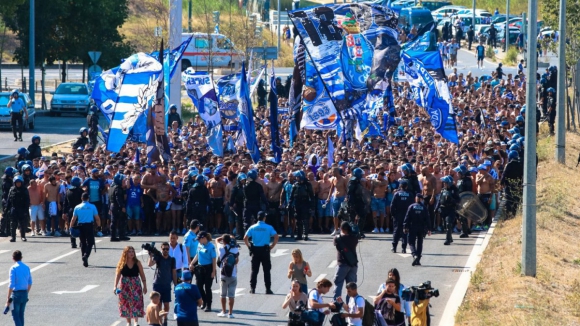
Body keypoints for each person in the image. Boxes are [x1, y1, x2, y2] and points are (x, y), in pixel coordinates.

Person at [244, 211, 279, 294]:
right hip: (265, 250)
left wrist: (249, 246)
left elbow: (245, 238)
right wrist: (272, 245)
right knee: (266, 270)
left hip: (255, 250)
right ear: (264, 218)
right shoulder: (269, 227)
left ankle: (252, 288)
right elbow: (276, 236)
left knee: (254, 271)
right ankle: (268, 289)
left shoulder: (253, 227)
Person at [114, 246, 147, 326]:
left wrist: (145, 286)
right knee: (125, 303)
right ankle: (128, 322)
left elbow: (142, 275)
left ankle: (136, 322)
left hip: (135, 284)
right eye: (129, 252)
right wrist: (115, 286)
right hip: (125, 285)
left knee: (136, 302)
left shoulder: (137, 262)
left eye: (132, 251)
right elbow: (118, 275)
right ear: (125, 253)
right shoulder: (122, 263)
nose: (131, 253)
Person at [148, 242, 177, 326]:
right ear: (161, 249)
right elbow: (150, 264)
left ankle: (165, 318)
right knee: (158, 304)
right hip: (157, 284)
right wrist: (150, 256)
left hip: (167, 285)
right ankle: (160, 321)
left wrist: (176, 285)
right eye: (163, 249)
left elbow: (174, 273)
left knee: (167, 305)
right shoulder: (159, 258)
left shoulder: (172, 259)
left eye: (167, 249)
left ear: (169, 249)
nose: (165, 250)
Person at [70, 192, 101, 267]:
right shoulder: (92, 206)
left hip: (80, 225)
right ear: (88, 198)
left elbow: (73, 219)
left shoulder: (77, 207)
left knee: (83, 242)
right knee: (90, 242)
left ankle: (83, 257)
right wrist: (99, 226)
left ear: (81, 198)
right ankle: (86, 255)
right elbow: (97, 218)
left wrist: (71, 227)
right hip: (89, 225)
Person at [189, 231, 216, 312]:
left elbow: (214, 259)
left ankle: (209, 305)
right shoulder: (199, 245)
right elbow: (197, 255)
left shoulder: (211, 246)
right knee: (199, 287)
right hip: (200, 268)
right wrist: (192, 263)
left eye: (199, 239)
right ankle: (204, 300)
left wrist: (213, 271)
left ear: (204, 238)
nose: (198, 241)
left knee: (207, 288)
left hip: (209, 268)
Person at [215, 234, 240, 318]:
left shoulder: (221, 249)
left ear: (224, 241)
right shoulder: (235, 249)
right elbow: (236, 261)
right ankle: (230, 313)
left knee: (223, 295)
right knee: (231, 295)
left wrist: (222, 237)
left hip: (223, 275)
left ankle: (223, 311)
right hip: (233, 275)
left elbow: (216, 240)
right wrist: (231, 237)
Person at [403, 194, 431, 266]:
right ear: (421, 199)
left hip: (412, 227)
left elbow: (407, 217)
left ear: (416, 199)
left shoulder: (411, 206)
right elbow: (427, 219)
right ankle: (418, 259)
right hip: (421, 227)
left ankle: (414, 255)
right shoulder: (424, 207)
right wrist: (429, 229)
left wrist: (405, 226)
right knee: (419, 243)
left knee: (411, 242)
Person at [333, 221, 358, 299]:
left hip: (342, 264)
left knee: (338, 284)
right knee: (351, 286)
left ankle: (337, 304)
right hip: (353, 264)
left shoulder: (338, 238)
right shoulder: (354, 238)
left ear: (341, 228)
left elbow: (335, 245)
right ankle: (351, 304)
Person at [6, 250, 32, 326]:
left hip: (16, 294)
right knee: (21, 315)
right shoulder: (26, 267)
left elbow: (11, 284)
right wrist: (26, 293)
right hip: (24, 293)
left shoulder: (13, 268)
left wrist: (8, 298)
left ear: (13, 258)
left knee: (15, 315)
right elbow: (30, 282)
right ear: (21, 257)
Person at [290, 170, 315, 240]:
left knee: (305, 219)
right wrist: (289, 204)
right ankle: (299, 235)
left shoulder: (307, 184)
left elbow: (312, 196)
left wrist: (312, 206)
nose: (296, 178)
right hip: (297, 203)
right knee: (298, 220)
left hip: (305, 203)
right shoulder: (295, 185)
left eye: (297, 177)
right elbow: (291, 196)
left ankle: (305, 234)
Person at [390, 179, 413, 253]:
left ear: (400, 186)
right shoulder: (410, 194)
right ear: (406, 187)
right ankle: (403, 248)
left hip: (398, 214)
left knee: (396, 231)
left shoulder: (397, 194)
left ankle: (394, 247)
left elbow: (392, 205)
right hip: (406, 215)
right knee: (405, 231)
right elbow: (412, 206)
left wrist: (393, 214)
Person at [5, 176, 30, 242]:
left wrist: (26, 210)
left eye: (19, 182)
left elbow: (27, 201)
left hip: (22, 209)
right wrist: (6, 209)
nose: (18, 184)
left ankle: (23, 236)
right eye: (17, 182)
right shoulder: (12, 189)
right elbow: (9, 200)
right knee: (13, 224)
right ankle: (13, 237)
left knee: (23, 224)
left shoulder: (24, 190)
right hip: (14, 209)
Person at [437, 176, 460, 245]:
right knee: (445, 225)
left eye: (445, 183)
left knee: (448, 224)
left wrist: (452, 199)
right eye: (444, 183)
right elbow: (439, 200)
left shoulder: (454, 190)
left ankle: (447, 240)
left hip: (451, 209)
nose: (444, 184)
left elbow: (458, 200)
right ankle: (450, 237)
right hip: (443, 209)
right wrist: (436, 208)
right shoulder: (443, 190)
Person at [346, 168, 367, 238]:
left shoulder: (357, 181)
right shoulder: (353, 181)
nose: (362, 175)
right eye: (361, 174)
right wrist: (350, 203)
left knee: (362, 215)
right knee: (351, 218)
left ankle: (359, 231)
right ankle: (352, 232)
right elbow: (350, 193)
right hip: (354, 201)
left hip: (359, 201)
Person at [63, 176, 83, 248]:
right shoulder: (80, 191)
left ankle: (73, 243)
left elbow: (65, 203)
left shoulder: (68, 191)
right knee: (81, 226)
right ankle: (82, 242)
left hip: (71, 210)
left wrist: (64, 212)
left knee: (72, 226)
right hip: (80, 210)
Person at [110, 173, 130, 242]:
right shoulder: (118, 188)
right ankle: (118, 236)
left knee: (115, 221)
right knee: (120, 221)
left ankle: (117, 235)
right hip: (117, 207)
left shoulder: (112, 187)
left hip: (113, 206)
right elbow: (118, 198)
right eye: (123, 180)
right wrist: (122, 206)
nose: (124, 181)